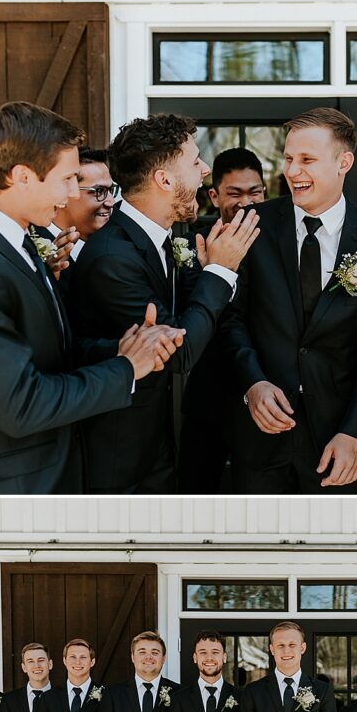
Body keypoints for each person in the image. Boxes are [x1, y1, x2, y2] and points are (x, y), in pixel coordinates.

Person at [0, 100, 177, 495]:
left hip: (46, 488)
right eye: (67, 179)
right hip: (5, 500)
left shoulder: (17, 246)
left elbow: (48, 358)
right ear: (22, 176)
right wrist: (125, 369)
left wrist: (119, 350)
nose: (73, 193)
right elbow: (22, 405)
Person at [69, 113, 260, 494]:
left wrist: (210, 273)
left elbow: (188, 314)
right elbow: (179, 352)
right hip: (119, 461)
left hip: (159, 446)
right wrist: (220, 271)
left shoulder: (160, 240)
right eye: (194, 161)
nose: (205, 169)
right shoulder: (113, 258)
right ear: (164, 180)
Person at [222, 107, 357, 494]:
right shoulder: (252, 224)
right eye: (289, 159)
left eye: (307, 160)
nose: (292, 171)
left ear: (344, 162)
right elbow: (232, 318)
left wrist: (356, 431)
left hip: (339, 437)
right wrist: (252, 382)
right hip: (261, 434)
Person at [178, 148, 268, 494]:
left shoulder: (280, 239)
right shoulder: (190, 243)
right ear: (214, 196)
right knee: (195, 491)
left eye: (254, 191)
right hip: (208, 394)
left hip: (262, 390)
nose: (246, 202)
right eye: (235, 193)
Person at [41, 147, 119, 303]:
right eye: (98, 191)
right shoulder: (34, 248)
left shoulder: (116, 245)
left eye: (111, 190)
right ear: (64, 193)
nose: (111, 202)